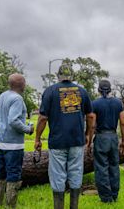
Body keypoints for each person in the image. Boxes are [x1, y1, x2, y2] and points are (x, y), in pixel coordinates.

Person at [34, 63, 93, 209]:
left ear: (58, 75)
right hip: (77, 141)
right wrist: (87, 135)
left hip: (57, 142)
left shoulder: (50, 91)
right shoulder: (82, 91)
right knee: (76, 174)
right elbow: (91, 116)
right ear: (71, 76)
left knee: (57, 176)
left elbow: (42, 118)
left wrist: (37, 138)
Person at [0, 73, 34, 208]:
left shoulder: (3, 96)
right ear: (21, 84)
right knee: (14, 173)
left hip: (0, 140)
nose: (25, 84)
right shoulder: (17, 99)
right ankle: (10, 205)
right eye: (25, 82)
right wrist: (28, 129)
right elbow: (13, 120)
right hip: (12, 144)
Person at [88, 79, 124, 203]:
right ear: (110, 89)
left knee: (101, 168)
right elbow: (122, 123)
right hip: (113, 138)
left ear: (99, 90)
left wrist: (89, 142)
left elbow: (93, 125)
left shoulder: (95, 104)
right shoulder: (118, 103)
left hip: (101, 138)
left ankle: (106, 198)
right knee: (114, 167)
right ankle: (114, 195)